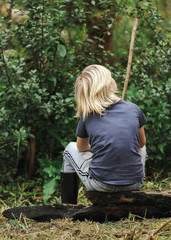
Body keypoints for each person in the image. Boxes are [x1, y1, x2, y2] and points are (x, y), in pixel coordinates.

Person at [60, 65, 147, 204]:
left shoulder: (87, 115)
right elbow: (141, 144)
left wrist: (101, 146)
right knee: (142, 147)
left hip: (101, 185)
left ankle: (68, 205)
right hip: (135, 183)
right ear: (107, 86)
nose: (113, 79)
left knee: (70, 148)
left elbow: (81, 148)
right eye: (110, 76)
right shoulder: (133, 108)